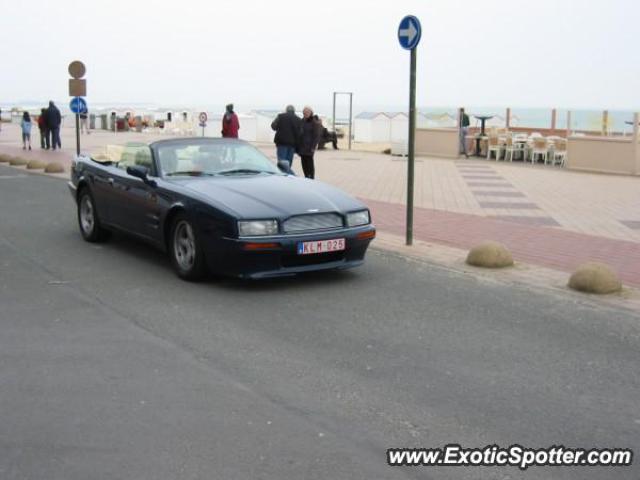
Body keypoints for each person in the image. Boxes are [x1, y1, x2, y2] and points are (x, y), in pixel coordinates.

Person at [271, 105, 302, 169]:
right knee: (288, 163)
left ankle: (282, 176)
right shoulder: (298, 119)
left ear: (286, 110)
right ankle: (287, 176)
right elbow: (300, 133)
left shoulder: (280, 116)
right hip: (292, 144)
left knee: (282, 162)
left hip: (282, 143)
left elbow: (273, 126)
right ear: (294, 111)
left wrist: (280, 128)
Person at [298, 108, 322, 179]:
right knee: (303, 163)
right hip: (302, 146)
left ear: (311, 113)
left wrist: (313, 147)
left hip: (309, 147)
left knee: (309, 163)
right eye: (304, 112)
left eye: (307, 112)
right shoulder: (301, 121)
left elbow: (316, 136)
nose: (305, 114)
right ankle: (306, 176)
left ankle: (311, 177)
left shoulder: (314, 122)